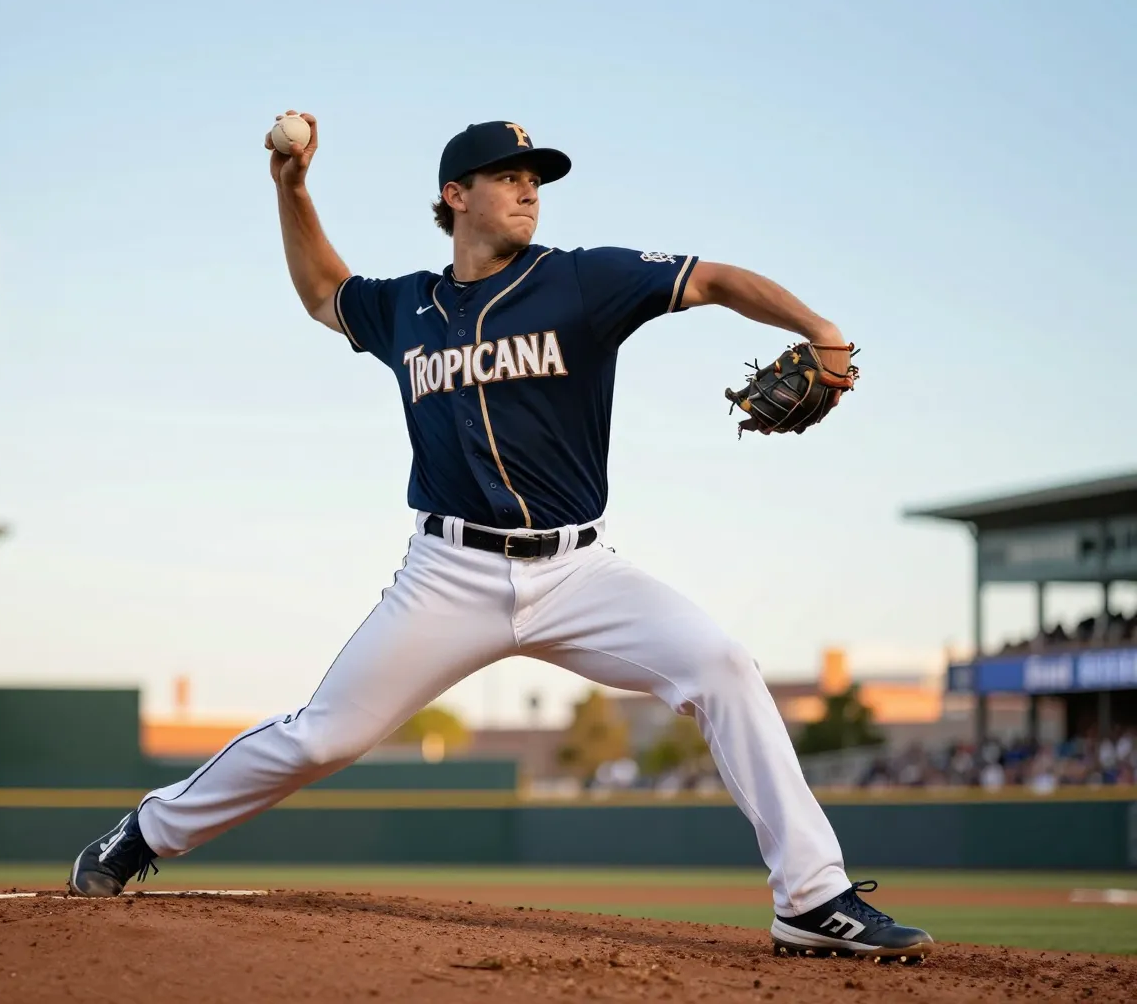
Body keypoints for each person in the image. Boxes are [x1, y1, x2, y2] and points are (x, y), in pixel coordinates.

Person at [68, 114, 933, 961]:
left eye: (536, 181)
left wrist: (819, 332)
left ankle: (813, 899)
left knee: (723, 668)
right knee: (323, 736)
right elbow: (322, 294)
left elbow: (712, 279)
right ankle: (146, 830)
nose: (529, 192)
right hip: (447, 575)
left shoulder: (582, 280)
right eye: (510, 178)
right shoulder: (409, 305)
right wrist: (291, 188)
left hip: (581, 570)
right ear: (456, 195)